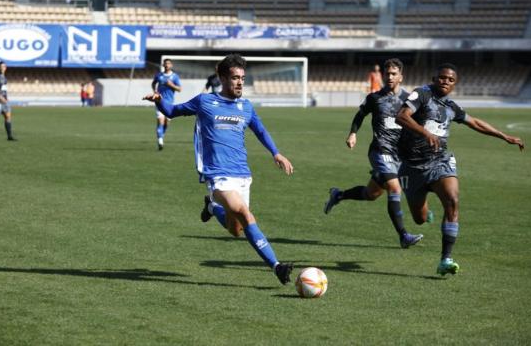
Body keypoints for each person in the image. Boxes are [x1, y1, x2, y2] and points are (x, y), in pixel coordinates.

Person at [143, 53, 295, 285]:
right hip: (217, 175)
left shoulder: (245, 106)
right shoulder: (204, 101)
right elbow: (173, 111)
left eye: (242, 78)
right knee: (245, 214)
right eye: (235, 78)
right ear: (222, 78)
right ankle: (277, 266)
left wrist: (276, 153)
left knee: (237, 230)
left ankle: (213, 209)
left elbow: (261, 130)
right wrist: (158, 100)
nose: (240, 82)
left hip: (242, 173)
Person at [395, 63, 524, 275]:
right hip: (412, 166)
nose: (445, 81)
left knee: (453, 201)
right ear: (434, 78)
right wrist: (425, 133)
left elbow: (475, 122)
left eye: (450, 80)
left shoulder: (451, 107)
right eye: (442, 77)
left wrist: (504, 136)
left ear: (455, 84)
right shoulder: (422, 94)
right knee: (419, 218)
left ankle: (446, 259)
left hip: (440, 161)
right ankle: (426, 209)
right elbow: (402, 116)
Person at [324, 58, 426, 248]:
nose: (389, 77)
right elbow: (360, 115)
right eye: (387, 73)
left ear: (401, 77)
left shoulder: (409, 100)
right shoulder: (374, 98)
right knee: (395, 189)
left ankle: (338, 195)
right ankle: (403, 236)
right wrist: (353, 133)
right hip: (380, 150)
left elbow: (418, 124)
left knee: (371, 193)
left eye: (393, 73)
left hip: (400, 155)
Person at [151, 58, 181, 150]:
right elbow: (153, 83)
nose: (167, 65)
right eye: (165, 63)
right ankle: (160, 140)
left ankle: (162, 135)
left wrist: (171, 85)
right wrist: (155, 91)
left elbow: (179, 89)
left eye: (168, 63)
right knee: (160, 120)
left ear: (171, 65)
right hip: (159, 102)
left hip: (170, 103)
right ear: (163, 65)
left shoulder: (175, 76)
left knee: (167, 123)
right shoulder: (159, 75)